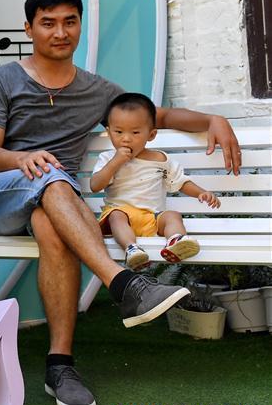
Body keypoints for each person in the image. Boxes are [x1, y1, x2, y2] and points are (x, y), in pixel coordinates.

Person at [0, 0, 241, 405]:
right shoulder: (2, 80)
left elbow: (157, 116)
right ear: (29, 28)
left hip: (54, 204)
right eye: (48, 23)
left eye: (69, 21)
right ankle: (124, 284)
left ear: (80, 25)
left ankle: (60, 366)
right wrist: (24, 158)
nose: (61, 32)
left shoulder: (97, 91)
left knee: (50, 224)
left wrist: (213, 119)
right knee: (55, 180)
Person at [91, 92, 221, 271]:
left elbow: (180, 182)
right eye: (118, 132)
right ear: (109, 132)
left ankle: (176, 241)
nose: (126, 138)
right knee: (115, 216)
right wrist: (115, 162)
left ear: (151, 135)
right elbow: (95, 185)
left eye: (135, 132)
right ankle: (131, 249)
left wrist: (201, 193)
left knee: (172, 215)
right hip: (122, 216)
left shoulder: (160, 159)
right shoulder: (108, 158)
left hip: (152, 218)